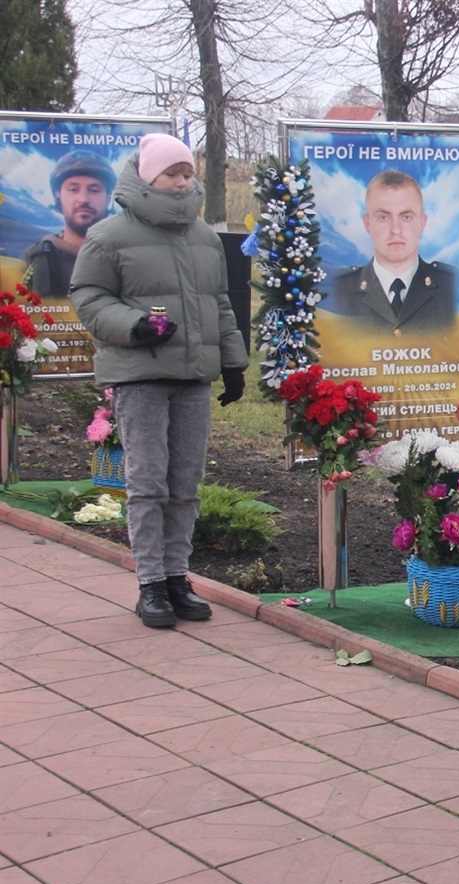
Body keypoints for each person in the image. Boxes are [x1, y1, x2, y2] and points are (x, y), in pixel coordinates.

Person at [69, 133, 249, 628]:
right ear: (149, 176)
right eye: (173, 172)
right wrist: (134, 325)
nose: (183, 181)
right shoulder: (109, 236)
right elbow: (88, 296)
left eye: (188, 172)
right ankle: (150, 583)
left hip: (192, 378)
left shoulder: (204, 237)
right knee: (148, 483)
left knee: (185, 483)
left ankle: (176, 576)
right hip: (141, 375)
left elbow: (219, 303)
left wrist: (232, 362)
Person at [321, 169, 457, 336]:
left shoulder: (450, 285)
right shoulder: (341, 288)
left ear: (422, 223)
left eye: (406, 217)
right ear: (367, 223)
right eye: (383, 217)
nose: (396, 230)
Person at [24, 150, 117, 296]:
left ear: (108, 199)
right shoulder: (34, 259)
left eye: (94, 190)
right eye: (73, 190)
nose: (83, 199)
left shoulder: (128, 255)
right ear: (58, 196)